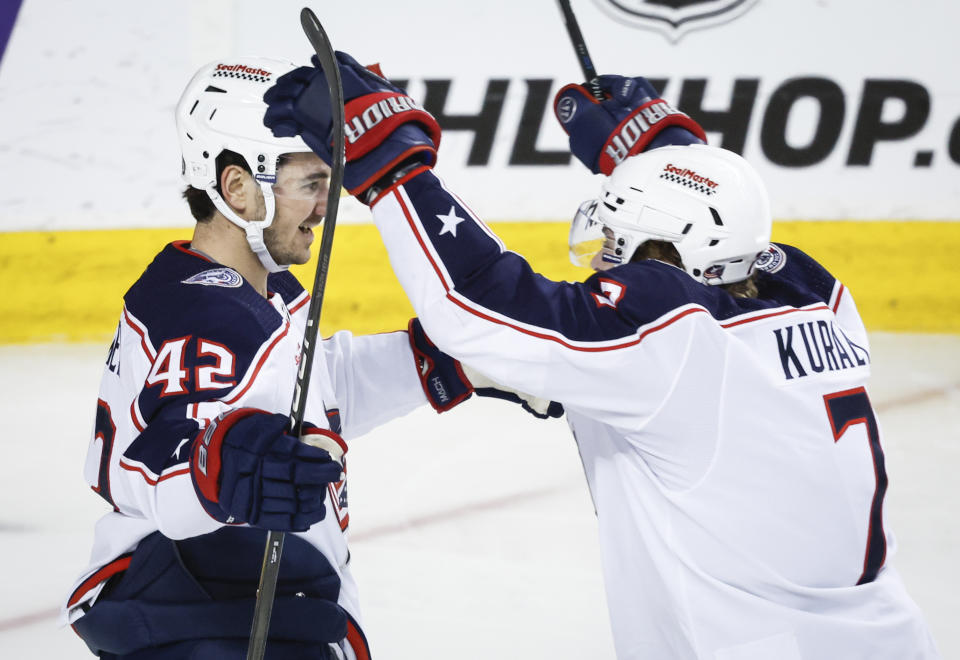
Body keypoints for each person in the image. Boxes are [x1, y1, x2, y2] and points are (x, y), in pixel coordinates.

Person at [262, 53, 941, 659]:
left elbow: (475, 301)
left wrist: (390, 160)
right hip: (893, 637)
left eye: (619, 241)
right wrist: (664, 155)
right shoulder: (818, 298)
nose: (606, 261)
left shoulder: (669, 343)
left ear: (663, 257)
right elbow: (719, 244)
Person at [61, 56, 559, 660]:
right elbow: (155, 465)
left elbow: (317, 385)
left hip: (246, 604)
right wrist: (220, 470)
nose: (326, 205)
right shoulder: (204, 316)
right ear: (237, 187)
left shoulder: (253, 290)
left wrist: (451, 361)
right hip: (208, 613)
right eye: (310, 184)